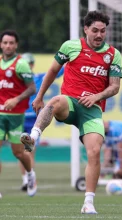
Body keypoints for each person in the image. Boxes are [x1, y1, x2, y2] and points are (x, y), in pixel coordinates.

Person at [20, 11, 122, 214]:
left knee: (94, 152)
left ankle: (88, 203)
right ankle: (33, 138)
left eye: (103, 31)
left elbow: (115, 87)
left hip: (92, 110)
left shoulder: (113, 54)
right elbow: (51, 71)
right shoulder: (71, 46)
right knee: (56, 101)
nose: (99, 35)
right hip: (71, 103)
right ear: (85, 29)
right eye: (95, 30)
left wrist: (96, 96)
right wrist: (39, 96)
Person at [19, 53, 64, 191]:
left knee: (30, 150)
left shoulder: (39, 78)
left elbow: (59, 70)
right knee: (20, 152)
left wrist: (70, 58)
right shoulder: (14, 81)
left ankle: (29, 178)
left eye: (29, 64)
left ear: (32, 65)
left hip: (33, 118)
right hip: (18, 117)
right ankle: (26, 179)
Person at [0, 30, 37, 197]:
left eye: (11, 43)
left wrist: (16, 99)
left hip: (16, 116)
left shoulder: (21, 64)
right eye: (5, 42)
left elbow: (32, 88)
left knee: (18, 152)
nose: (8, 45)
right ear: (1, 44)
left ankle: (30, 175)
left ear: (16, 45)